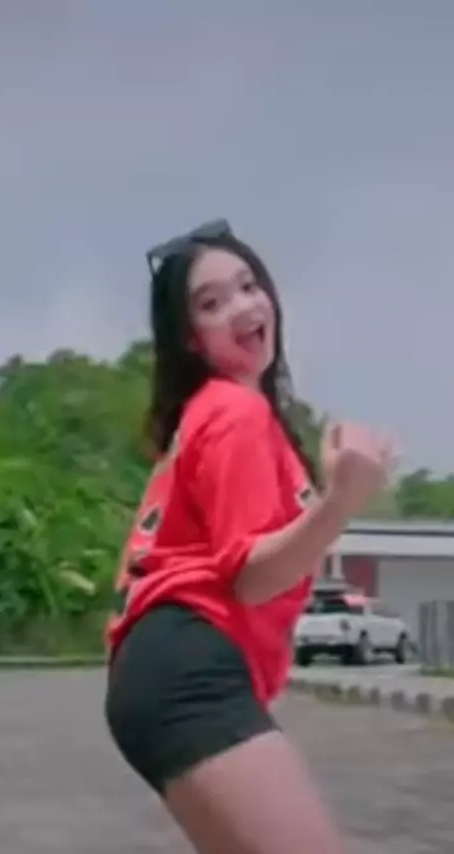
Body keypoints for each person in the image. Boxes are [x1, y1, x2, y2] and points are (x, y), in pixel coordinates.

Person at [104, 219, 396, 854]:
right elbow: (252, 576)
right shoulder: (234, 411)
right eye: (212, 303)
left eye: (248, 285)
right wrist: (341, 501)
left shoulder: (217, 414)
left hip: (166, 672)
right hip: (187, 669)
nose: (242, 305)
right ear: (191, 338)